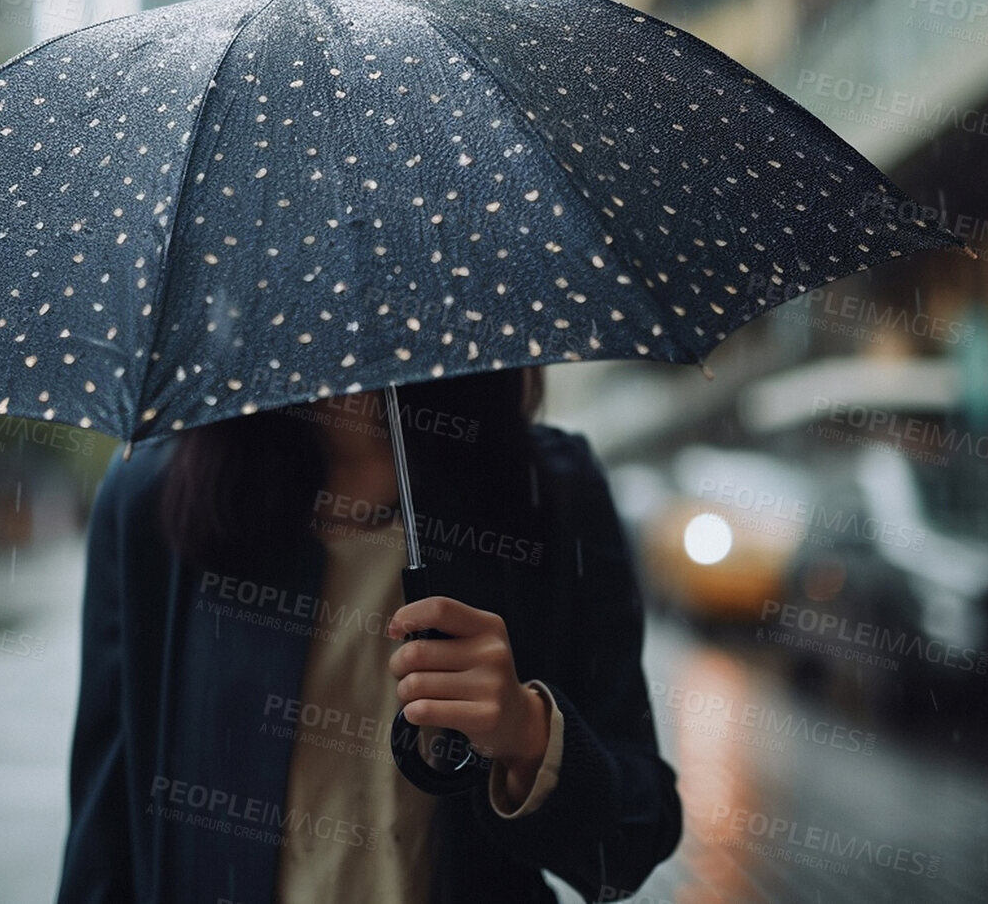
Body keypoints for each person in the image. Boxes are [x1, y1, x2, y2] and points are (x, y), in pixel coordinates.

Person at [56, 367, 682, 902]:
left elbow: (628, 845)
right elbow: (105, 837)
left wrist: (529, 735)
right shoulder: (151, 497)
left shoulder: (553, 493)